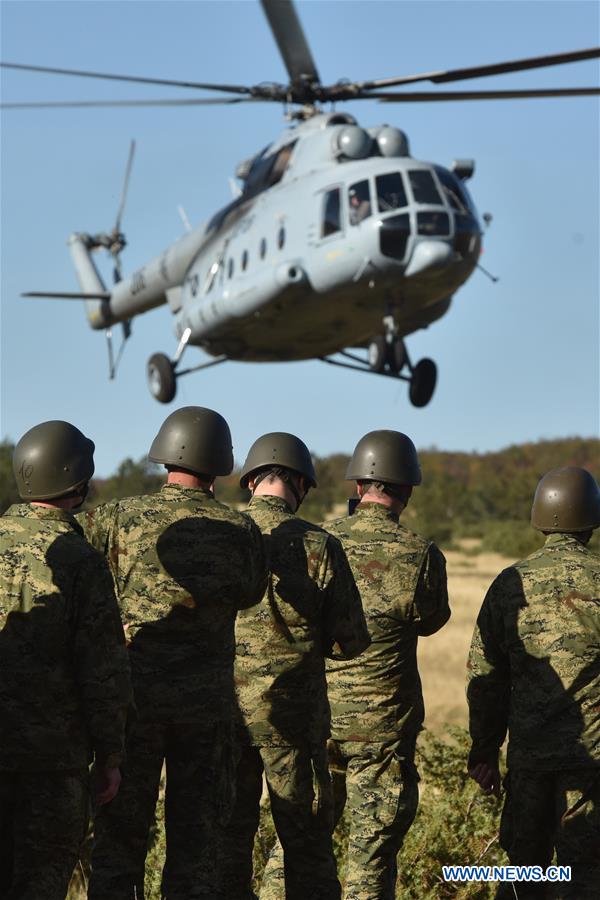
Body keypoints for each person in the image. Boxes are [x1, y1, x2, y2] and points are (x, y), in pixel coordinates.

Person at [83, 406, 267, 900]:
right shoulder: (241, 531)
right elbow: (251, 594)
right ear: (221, 461)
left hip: (132, 707)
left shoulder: (119, 517)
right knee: (195, 847)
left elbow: (72, 556)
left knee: (119, 844)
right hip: (206, 713)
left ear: (166, 453)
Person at [219, 432, 370, 900]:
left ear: (249, 481)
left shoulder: (222, 533)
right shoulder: (320, 545)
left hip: (226, 713)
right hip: (294, 717)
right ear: (301, 485)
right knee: (305, 843)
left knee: (227, 840)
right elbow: (352, 640)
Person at [0, 420, 131, 900]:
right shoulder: (80, 561)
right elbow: (102, 670)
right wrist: (111, 756)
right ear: (76, 480)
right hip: (53, 765)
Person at [324, 430, 449, 900]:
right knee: (371, 858)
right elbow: (432, 621)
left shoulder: (322, 540)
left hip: (318, 720)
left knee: (296, 847)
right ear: (408, 490)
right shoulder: (420, 554)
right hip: (382, 729)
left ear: (358, 485)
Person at [467, 466, 600, 899]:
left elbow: (485, 675)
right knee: (586, 874)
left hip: (528, 760)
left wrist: (484, 749)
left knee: (526, 874)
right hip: (592, 763)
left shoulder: (511, 584)